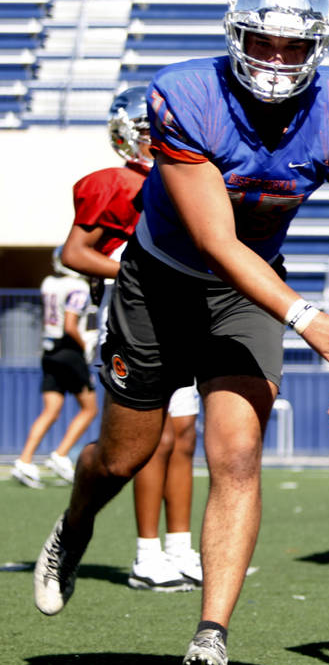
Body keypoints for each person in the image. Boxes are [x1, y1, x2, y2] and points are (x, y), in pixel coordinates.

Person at [32, 0, 329, 665]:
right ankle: (74, 525)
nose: (276, 61)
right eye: (262, 43)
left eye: (294, 47)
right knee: (122, 456)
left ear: (318, 48)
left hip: (248, 295)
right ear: (236, 37)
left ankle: (210, 635)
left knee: (237, 452)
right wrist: (306, 318)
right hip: (161, 282)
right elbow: (215, 242)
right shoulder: (186, 92)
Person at [59, 86, 202, 592]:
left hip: (180, 320)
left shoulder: (183, 181)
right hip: (133, 321)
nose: (155, 142)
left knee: (184, 438)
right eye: (147, 133)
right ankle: (145, 555)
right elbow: (73, 253)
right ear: (125, 135)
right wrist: (129, 271)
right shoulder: (115, 183)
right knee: (153, 441)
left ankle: (180, 548)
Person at [12, 250, 98, 489]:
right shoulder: (77, 287)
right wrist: (85, 346)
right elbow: (71, 325)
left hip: (49, 350)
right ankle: (60, 455)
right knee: (90, 409)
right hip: (69, 350)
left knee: (51, 410)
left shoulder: (48, 282)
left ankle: (25, 460)